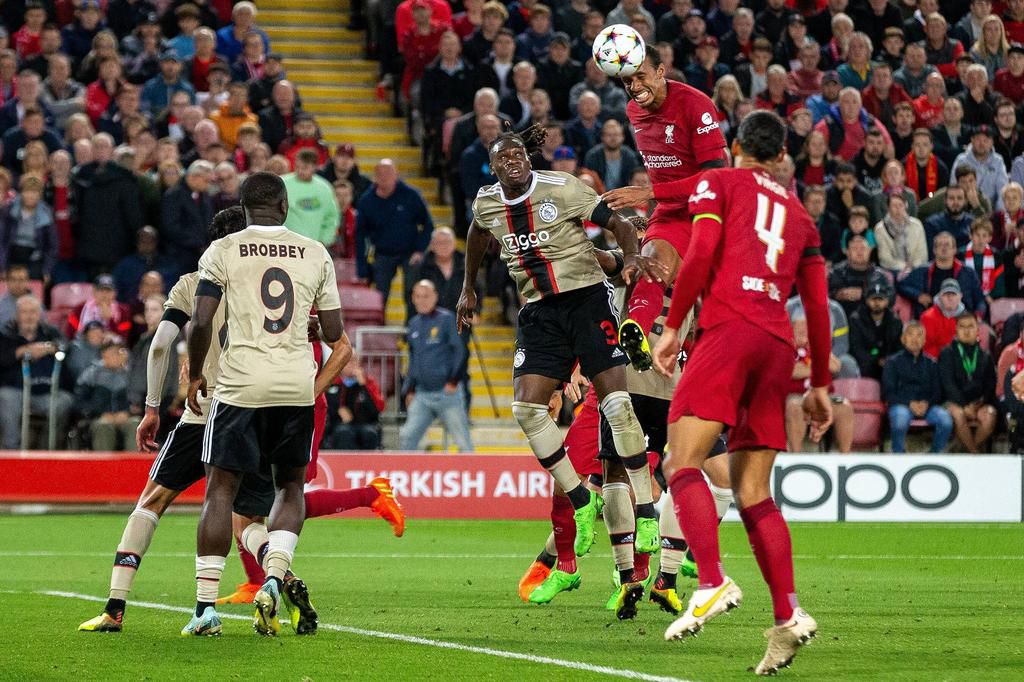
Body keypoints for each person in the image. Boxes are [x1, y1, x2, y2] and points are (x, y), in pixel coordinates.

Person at [648, 111, 831, 674]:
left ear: (734, 147)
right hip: (777, 347)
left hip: (729, 330)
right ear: (781, 157)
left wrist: (672, 327)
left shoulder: (718, 182)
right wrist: (820, 383)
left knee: (681, 460)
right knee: (754, 492)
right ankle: (787, 616)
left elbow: (701, 252)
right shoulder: (801, 216)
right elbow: (817, 306)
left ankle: (710, 580)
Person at [457, 123, 665, 610]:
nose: (513, 163)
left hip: (586, 301)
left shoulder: (562, 188)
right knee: (526, 410)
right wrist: (468, 287)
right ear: (493, 167)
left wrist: (630, 257)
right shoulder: (487, 202)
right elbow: (476, 234)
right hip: (539, 311)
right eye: (503, 159)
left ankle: (647, 511)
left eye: (518, 156)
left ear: (528, 160)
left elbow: (617, 224)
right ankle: (580, 498)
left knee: (617, 404)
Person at [183, 173, 343, 636]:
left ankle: (205, 610)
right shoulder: (315, 252)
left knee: (220, 490)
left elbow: (201, 321)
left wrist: (196, 373)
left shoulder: (223, 250)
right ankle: (273, 577)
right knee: (289, 486)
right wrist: (310, 329)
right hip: (295, 386)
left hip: (241, 386)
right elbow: (333, 332)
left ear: (245, 208)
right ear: (285, 206)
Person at [599, 46, 728, 377]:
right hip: (671, 211)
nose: (634, 86)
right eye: (628, 81)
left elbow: (715, 178)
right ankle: (636, 332)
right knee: (652, 265)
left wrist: (648, 192)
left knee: (718, 305)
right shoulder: (633, 110)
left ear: (661, 71)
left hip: (713, 210)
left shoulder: (696, 105)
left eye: (641, 77)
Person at [398, 279, 473, 452]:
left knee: (463, 442)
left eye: (426, 296)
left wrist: (453, 381)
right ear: (413, 299)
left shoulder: (447, 319)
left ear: (435, 297)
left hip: (447, 394)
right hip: (422, 394)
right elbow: (413, 359)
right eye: (418, 296)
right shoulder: (413, 323)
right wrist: (409, 388)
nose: (422, 300)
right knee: (407, 436)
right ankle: (405, 469)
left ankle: (472, 469)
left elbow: (461, 351)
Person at [355, 159, 434, 306]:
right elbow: (360, 235)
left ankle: (413, 320)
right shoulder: (366, 201)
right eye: (380, 174)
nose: (384, 177)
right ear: (374, 177)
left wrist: (419, 250)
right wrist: (362, 267)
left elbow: (428, 225)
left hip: (410, 252)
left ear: (396, 174)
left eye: (388, 173)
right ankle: (378, 320)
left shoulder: (411, 195)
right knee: (379, 296)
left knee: (412, 292)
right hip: (382, 253)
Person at [0, 296, 72, 450]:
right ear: (17, 315)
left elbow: (65, 346)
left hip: (47, 390)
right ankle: (11, 450)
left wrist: (48, 347)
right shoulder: (5, 333)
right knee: (5, 397)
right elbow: (2, 358)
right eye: (24, 312)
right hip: (16, 390)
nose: (29, 316)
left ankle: (46, 450)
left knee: (65, 400)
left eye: (33, 312)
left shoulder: (50, 332)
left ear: (39, 314)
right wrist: (23, 351)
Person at [785, 316, 854, 454]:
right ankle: (795, 455)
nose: (804, 332)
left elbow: (836, 366)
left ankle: (845, 456)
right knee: (794, 406)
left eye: (807, 329)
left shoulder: (819, 348)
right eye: (800, 329)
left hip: (824, 397)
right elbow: (790, 371)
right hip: (797, 396)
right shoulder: (787, 348)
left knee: (845, 407)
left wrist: (817, 351)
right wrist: (819, 366)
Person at [883, 321, 953, 453]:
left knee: (946, 420)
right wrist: (910, 404)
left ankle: (934, 455)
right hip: (902, 405)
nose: (915, 339)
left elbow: (938, 392)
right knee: (900, 421)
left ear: (924, 340)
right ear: (903, 339)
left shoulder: (932, 363)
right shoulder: (892, 363)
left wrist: (927, 404)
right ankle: (898, 455)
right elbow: (889, 393)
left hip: (927, 406)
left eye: (919, 335)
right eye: (910, 334)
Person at [938, 312, 998, 453]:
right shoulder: (947, 353)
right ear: (956, 330)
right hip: (953, 402)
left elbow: (990, 385)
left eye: (970, 326)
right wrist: (964, 406)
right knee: (958, 414)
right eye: (962, 327)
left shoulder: (985, 355)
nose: (966, 331)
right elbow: (948, 384)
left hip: (978, 404)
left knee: (990, 415)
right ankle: (974, 455)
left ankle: (967, 452)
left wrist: (980, 403)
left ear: (977, 329)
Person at [899, 231, 986, 317]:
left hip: (962, 320)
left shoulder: (968, 272)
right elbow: (902, 285)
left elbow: (980, 300)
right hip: (930, 319)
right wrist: (918, 295)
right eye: (940, 245)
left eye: (947, 245)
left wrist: (978, 316)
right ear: (934, 250)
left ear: (954, 249)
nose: (944, 248)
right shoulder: (922, 270)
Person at [75, 339, 139, 451]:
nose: (119, 355)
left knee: (135, 423)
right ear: (104, 355)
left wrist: (127, 412)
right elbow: (79, 403)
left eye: (120, 352)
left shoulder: (130, 375)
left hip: (124, 418)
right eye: (114, 352)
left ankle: (135, 462)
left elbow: (138, 401)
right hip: (99, 418)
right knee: (104, 426)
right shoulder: (91, 374)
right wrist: (100, 413)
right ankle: (103, 462)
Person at [159, 159, 214, 273]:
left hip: (201, 256)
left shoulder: (205, 196)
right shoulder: (173, 195)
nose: (208, 184)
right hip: (180, 257)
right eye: (206, 180)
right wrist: (197, 243)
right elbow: (171, 227)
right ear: (193, 177)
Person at [282, 149, 338, 247]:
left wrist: (324, 240)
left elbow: (332, 217)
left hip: (315, 246)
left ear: (314, 167)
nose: (300, 171)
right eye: (297, 167)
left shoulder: (325, 188)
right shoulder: (282, 183)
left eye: (305, 167)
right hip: (286, 245)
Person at [849, 280, 904, 380]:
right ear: (867, 300)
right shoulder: (856, 319)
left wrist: (889, 360)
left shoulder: (895, 321)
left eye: (880, 299)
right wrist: (876, 360)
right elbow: (856, 348)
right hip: (865, 364)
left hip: (889, 363)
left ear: (887, 301)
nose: (877, 303)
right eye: (873, 299)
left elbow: (899, 347)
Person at [329, 352, 384, 450]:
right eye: (347, 361)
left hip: (365, 423)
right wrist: (338, 410)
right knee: (344, 433)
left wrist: (363, 386)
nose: (351, 364)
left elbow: (377, 409)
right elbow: (326, 407)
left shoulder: (369, 383)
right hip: (340, 424)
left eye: (354, 361)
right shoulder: (333, 383)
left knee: (369, 433)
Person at [828, 233, 889, 316]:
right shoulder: (836, 272)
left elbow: (890, 297)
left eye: (863, 248)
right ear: (847, 252)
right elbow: (826, 294)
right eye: (855, 248)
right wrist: (838, 294)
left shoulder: (878, 275)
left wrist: (865, 294)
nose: (859, 252)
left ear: (869, 251)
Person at [921, 278, 971, 359]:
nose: (950, 298)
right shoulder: (928, 317)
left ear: (960, 296)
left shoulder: (967, 318)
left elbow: (970, 343)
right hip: (936, 360)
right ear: (939, 297)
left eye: (953, 294)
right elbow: (926, 347)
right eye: (946, 294)